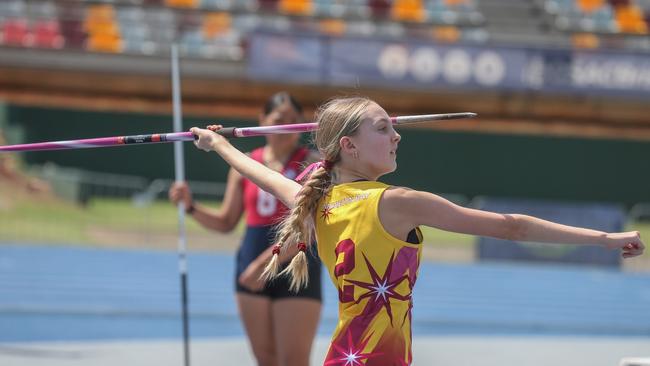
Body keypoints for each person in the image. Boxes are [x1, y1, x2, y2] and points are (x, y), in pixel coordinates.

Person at [189, 96, 645, 365]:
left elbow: (250, 167)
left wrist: (217, 143)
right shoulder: (399, 203)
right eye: (384, 128)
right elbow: (512, 228)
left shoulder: (316, 200)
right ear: (348, 146)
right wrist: (603, 239)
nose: (397, 136)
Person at [169, 92, 322, 366]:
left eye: (292, 121)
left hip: (295, 265)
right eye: (278, 120)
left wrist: (267, 264)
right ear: (263, 121)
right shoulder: (245, 163)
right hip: (250, 266)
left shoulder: (312, 162)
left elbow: (311, 226)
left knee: (295, 361)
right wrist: (191, 207)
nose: (284, 127)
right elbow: (226, 222)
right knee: (265, 359)